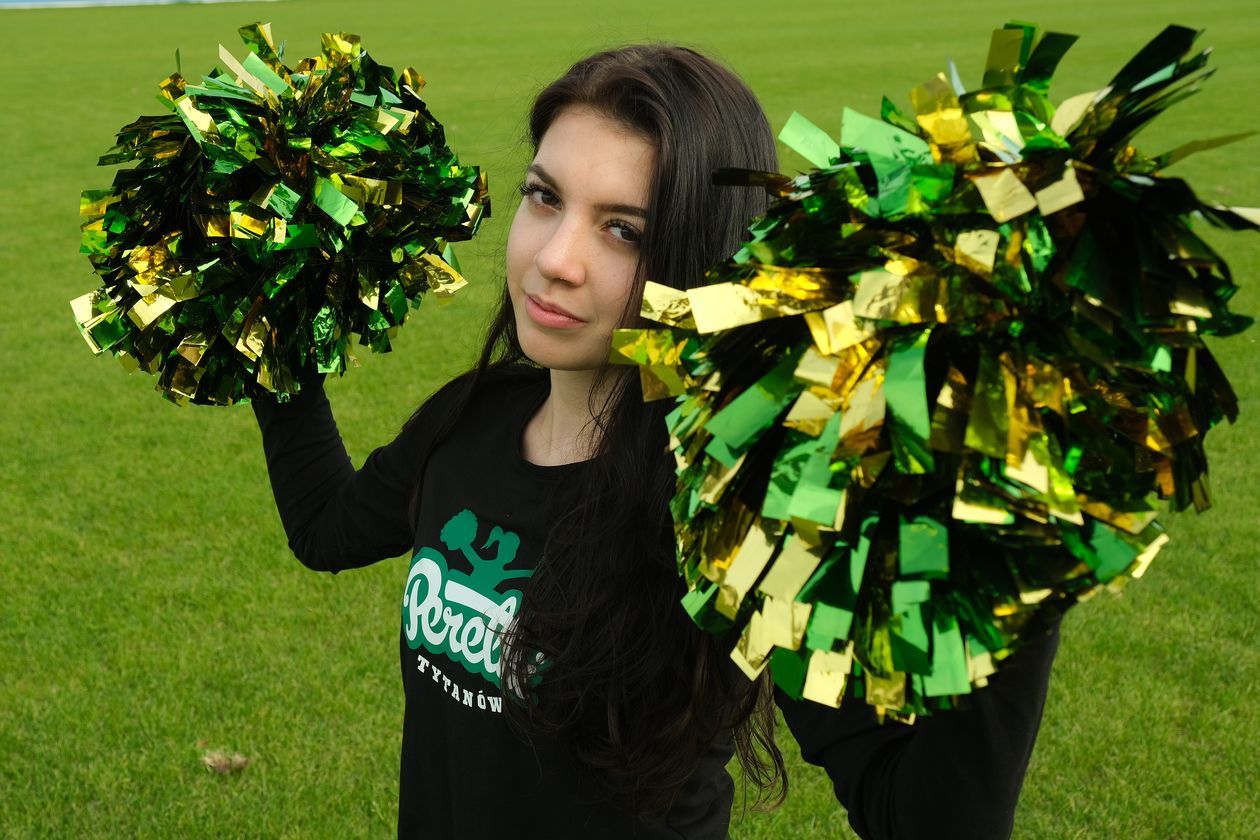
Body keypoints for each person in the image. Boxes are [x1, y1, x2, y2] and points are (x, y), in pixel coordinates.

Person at [252, 44, 1060, 839]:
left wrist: (1014, 556)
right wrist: (264, 315)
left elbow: (922, 818)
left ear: (698, 264)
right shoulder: (471, 418)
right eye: (545, 197)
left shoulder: (729, 508)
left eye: (624, 231)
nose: (556, 259)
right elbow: (328, 527)